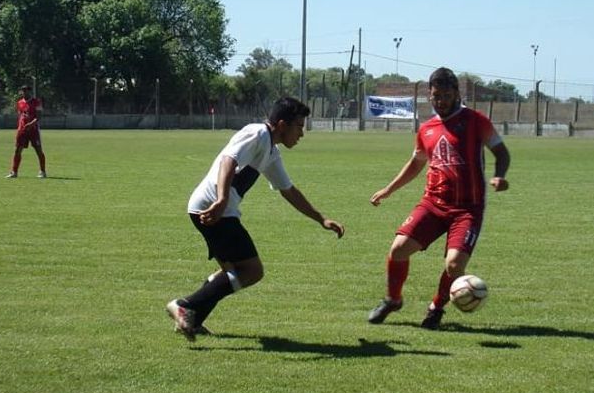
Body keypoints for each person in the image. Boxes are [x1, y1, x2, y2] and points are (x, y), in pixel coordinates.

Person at [166, 96, 345, 341]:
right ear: (282, 124)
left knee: (230, 271)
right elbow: (229, 161)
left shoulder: (271, 151)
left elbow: (288, 190)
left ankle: (192, 318)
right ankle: (186, 306)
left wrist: (320, 219)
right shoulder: (258, 134)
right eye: (299, 127)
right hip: (214, 208)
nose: (302, 134)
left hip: (213, 208)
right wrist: (220, 201)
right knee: (251, 271)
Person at [367, 67, 510, 330]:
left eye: (445, 95)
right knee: (398, 249)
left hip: (467, 208)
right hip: (433, 204)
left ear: (456, 93)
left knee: (454, 264)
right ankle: (393, 299)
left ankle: (436, 307)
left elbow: (502, 152)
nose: (440, 101)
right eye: (435, 96)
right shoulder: (427, 129)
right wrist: (389, 189)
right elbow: (416, 163)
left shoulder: (475, 121)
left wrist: (499, 175)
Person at [6, 85, 47, 178]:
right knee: (17, 150)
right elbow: (21, 115)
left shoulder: (37, 102)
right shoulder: (20, 102)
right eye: (23, 91)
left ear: (30, 91)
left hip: (33, 130)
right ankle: (14, 172)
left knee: (38, 150)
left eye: (26, 90)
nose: (24, 92)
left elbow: (39, 116)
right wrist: (21, 126)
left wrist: (31, 124)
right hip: (22, 130)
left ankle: (42, 171)